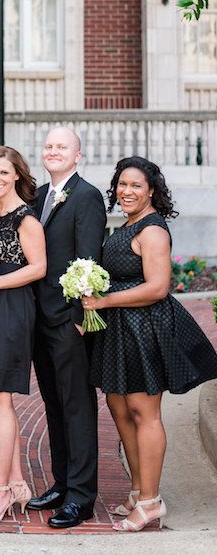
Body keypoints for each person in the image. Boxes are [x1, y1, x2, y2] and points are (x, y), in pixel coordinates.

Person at [82, 156, 217, 532]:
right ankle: (139, 486)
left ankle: (150, 502)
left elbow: (158, 287)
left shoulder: (153, 230)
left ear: (152, 191)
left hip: (143, 329)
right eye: (122, 185)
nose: (127, 191)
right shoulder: (129, 224)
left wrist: (104, 301)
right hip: (119, 330)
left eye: (135, 186)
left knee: (144, 412)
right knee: (119, 405)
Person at [28, 127, 106, 528]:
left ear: (77, 155)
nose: (53, 151)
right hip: (39, 321)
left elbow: (88, 260)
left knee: (77, 406)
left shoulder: (88, 196)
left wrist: (79, 319)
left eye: (62, 147)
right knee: (54, 404)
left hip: (68, 321)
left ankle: (81, 496)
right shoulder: (39, 196)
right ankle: (61, 482)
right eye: (49, 146)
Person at [0, 146, 46, 525]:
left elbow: (39, 267)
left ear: (17, 174)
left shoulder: (25, 218)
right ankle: (17, 482)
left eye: (3, 173)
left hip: (13, 309)